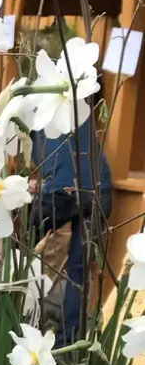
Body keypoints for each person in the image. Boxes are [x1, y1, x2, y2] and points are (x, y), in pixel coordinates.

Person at [31, 118, 113, 344]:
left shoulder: (37, 119)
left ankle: (24, 321)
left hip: (63, 190)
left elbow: (43, 163)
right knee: (79, 269)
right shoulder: (80, 113)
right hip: (100, 190)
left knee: (24, 245)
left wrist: (38, 184)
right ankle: (67, 339)